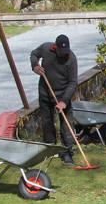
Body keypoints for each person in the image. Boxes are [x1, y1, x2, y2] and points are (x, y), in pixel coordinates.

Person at [30, 34, 78, 166]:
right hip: (45, 92)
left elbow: (73, 82)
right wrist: (35, 65)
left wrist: (64, 101)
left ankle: (67, 152)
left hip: (63, 95)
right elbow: (34, 54)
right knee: (47, 122)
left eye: (65, 52)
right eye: (61, 52)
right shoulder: (46, 48)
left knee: (66, 124)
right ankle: (51, 148)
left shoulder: (71, 59)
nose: (63, 55)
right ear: (55, 47)